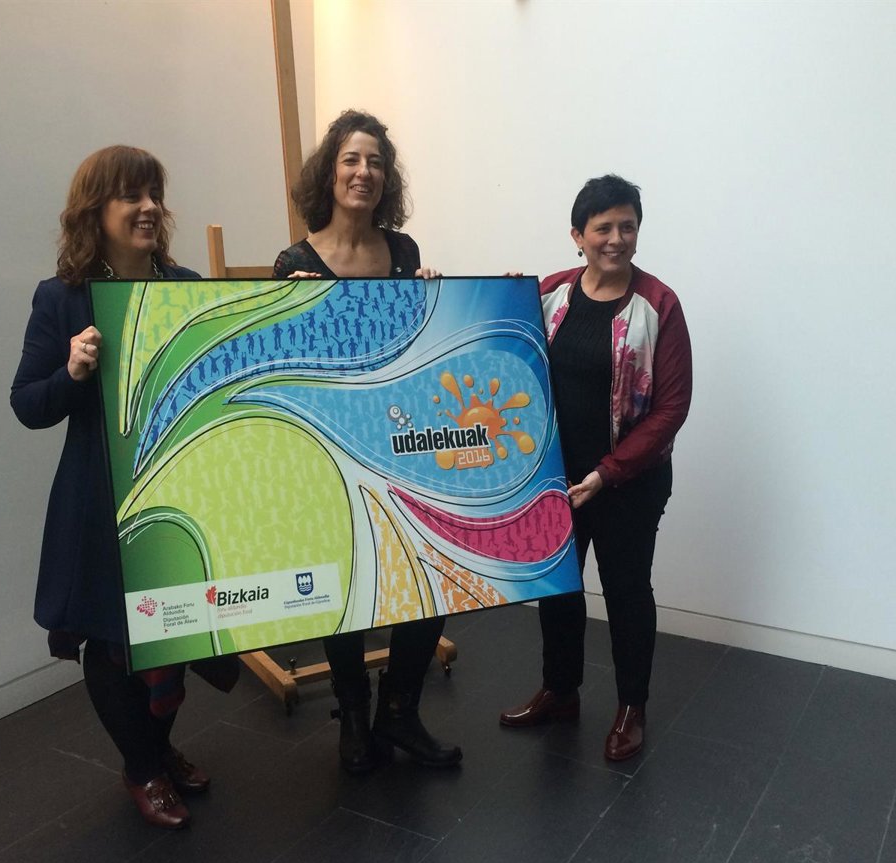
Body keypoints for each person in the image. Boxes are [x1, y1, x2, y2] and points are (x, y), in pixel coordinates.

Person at [11, 146, 210, 828]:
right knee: (111, 638)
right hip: (98, 501)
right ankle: (143, 766)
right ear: (95, 211)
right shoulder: (62, 297)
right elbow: (27, 404)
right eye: (132, 195)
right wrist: (70, 373)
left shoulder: (184, 286)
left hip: (175, 494)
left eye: (155, 194)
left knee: (176, 631)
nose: (149, 207)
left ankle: (156, 745)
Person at [272, 110, 461, 773]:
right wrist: (288, 311)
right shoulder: (295, 262)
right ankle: (353, 715)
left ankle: (400, 712)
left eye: (376, 162)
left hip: (399, 444)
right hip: (329, 450)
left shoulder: (403, 253)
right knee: (345, 586)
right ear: (329, 172)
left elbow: (413, 351)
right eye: (352, 159)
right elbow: (283, 369)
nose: (365, 172)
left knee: (430, 575)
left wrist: (432, 303)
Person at [499, 174, 692, 762]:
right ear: (577, 235)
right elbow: (501, 348)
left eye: (627, 226)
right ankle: (560, 691)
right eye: (603, 227)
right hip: (555, 477)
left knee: (627, 591)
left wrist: (609, 472)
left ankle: (632, 707)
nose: (616, 238)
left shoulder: (659, 305)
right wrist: (498, 302)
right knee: (559, 589)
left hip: (627, 482)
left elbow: (671, 408)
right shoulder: (551, 294)